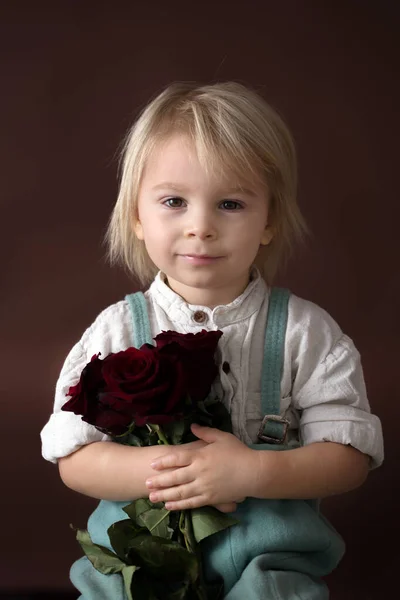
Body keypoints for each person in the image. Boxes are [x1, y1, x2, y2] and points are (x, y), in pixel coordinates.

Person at [40, 81, 384, 599]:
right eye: (174, 201)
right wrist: (161, 470)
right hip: (139, 557)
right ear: (137, 215)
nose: (200, 227)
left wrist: (252, 472)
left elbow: (348, 457)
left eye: (229, 204)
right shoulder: (114, 330)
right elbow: (74, 457)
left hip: (265, 558)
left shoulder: (304, 333)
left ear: (269, 219)